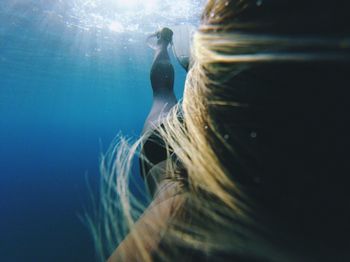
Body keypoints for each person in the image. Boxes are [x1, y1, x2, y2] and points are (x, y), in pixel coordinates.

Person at [90, 1, 350, 261]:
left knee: (163, 94)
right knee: (167, 94)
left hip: (174, 152)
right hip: (185, 152)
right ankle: (201, 69)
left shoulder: (170, 235)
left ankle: (175, 52)